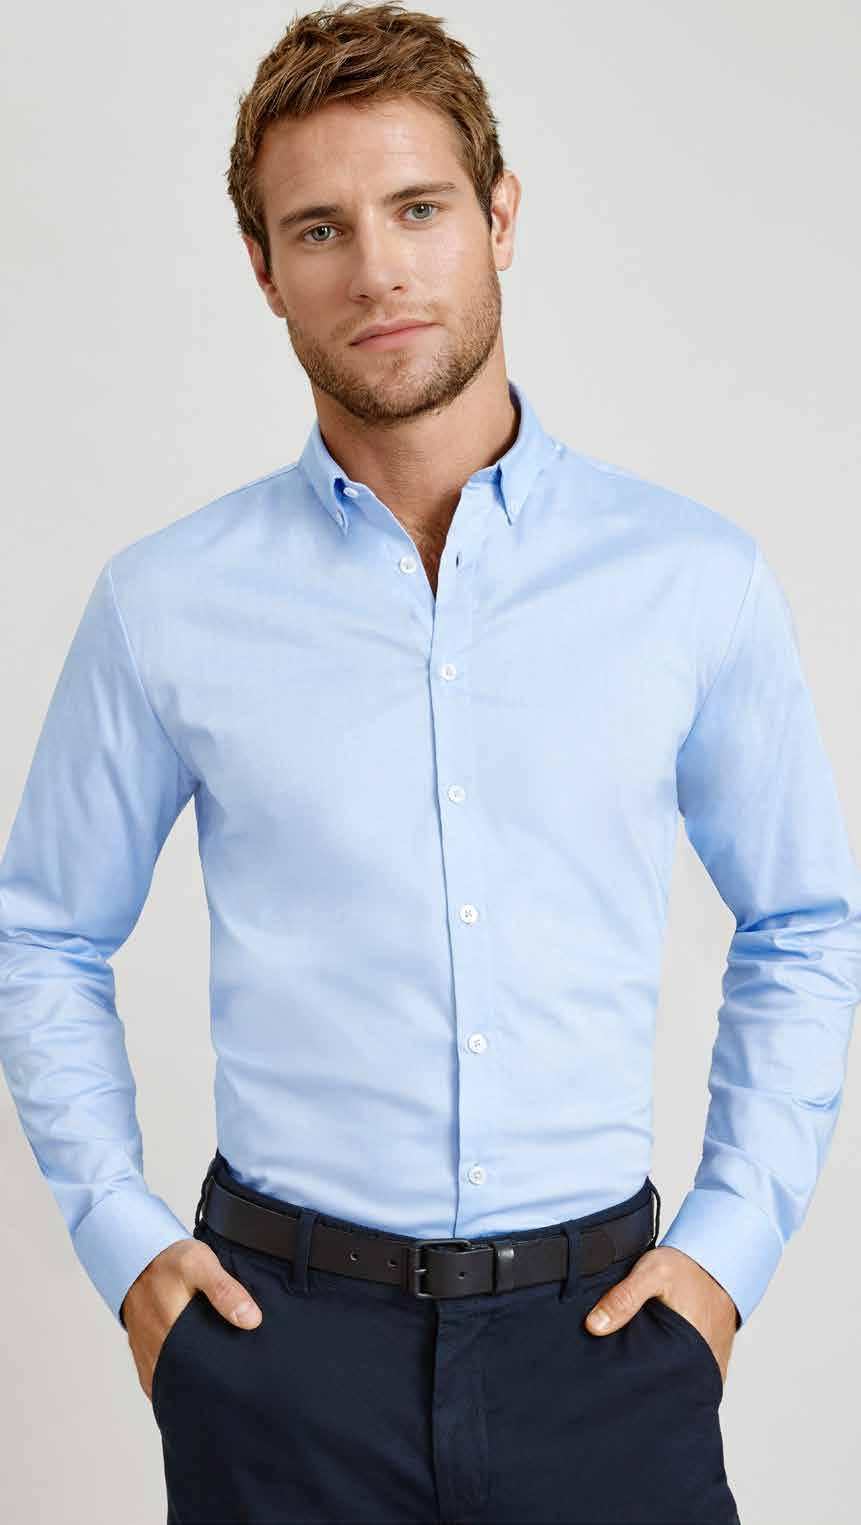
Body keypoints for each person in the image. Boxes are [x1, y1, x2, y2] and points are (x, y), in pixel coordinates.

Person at [1, 4, 858, 1521]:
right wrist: (124, 1244)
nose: (378, 271)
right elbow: (42, 934)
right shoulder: (165, 604)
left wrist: (726, 1255)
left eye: (417, 209)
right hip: (280, 1360)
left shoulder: (691, 581)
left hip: (609, 1354)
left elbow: (803, 922)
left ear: (498, 217)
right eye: (318, 229)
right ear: (262, 267)